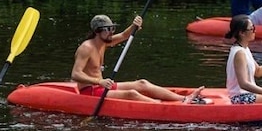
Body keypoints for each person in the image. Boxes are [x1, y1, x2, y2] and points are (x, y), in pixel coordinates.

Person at [71, 14, 204, 103]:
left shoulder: (104, 42)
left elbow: (124, 35)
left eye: (112, 28)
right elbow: (76, 74)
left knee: (142, 83)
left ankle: (184, 99)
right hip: (90, 91)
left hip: (102, 86)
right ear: (97, 31)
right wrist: (99, 81)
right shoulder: (86, 47)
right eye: (108, 29)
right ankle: (162, 106)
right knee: (131, 94)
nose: (111, 31)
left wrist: (134, 25)